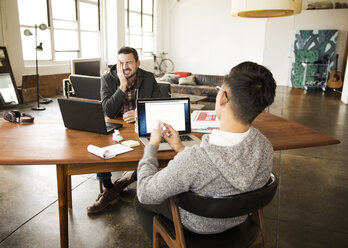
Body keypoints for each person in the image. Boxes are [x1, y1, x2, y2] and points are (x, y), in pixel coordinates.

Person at [135, 61, 277, 238]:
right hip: (239, 219)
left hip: (197, 226)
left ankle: (167, 239)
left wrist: (152, 146)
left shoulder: (194, 160)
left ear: (223, 97)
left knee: (139, 198)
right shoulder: (265, 146)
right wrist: (180, 148)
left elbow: (145, 193)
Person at [87, 46, 162, 214]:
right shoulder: (107, 79)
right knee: (99, 148)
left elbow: (159, 104)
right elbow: (108, 110)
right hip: (116, 126)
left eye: (129, 62)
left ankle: (124, 181)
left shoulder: (148, 78)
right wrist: (122, 86)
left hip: (140, 125)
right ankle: (109, 188)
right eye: (121, 63)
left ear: (137, 63)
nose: (125, 67)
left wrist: (138, 113)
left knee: (153, 151)